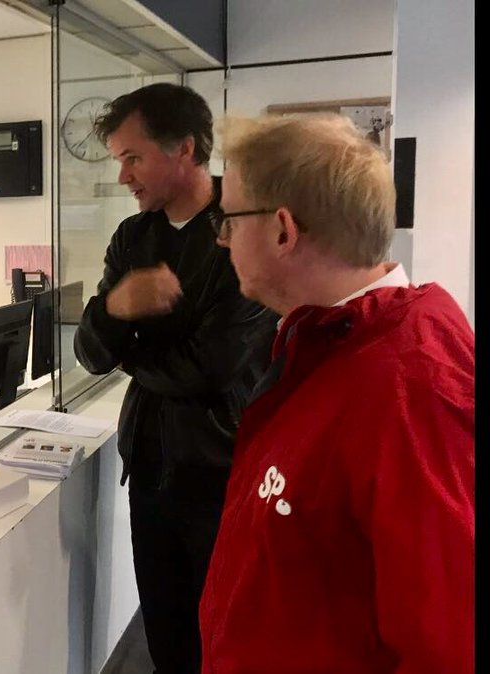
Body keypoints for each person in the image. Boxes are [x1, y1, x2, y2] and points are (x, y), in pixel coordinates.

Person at [199, 113, 473, 673]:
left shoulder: (409, 386)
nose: (222, 239)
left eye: (228, 220)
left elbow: (448, 645)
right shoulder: (326, 344)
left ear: (283, 230)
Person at [73, 83, 277, 674]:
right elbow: (90, 353)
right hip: (150, 471)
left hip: (221, 473)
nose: (123, 177)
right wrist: (116, 308)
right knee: (167, 635)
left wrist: (129, 347)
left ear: (184, 148)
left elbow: (209, 369)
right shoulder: (133, 237)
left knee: (224, 639)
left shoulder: (241, 229)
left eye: (133, 158)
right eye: (120, 160)